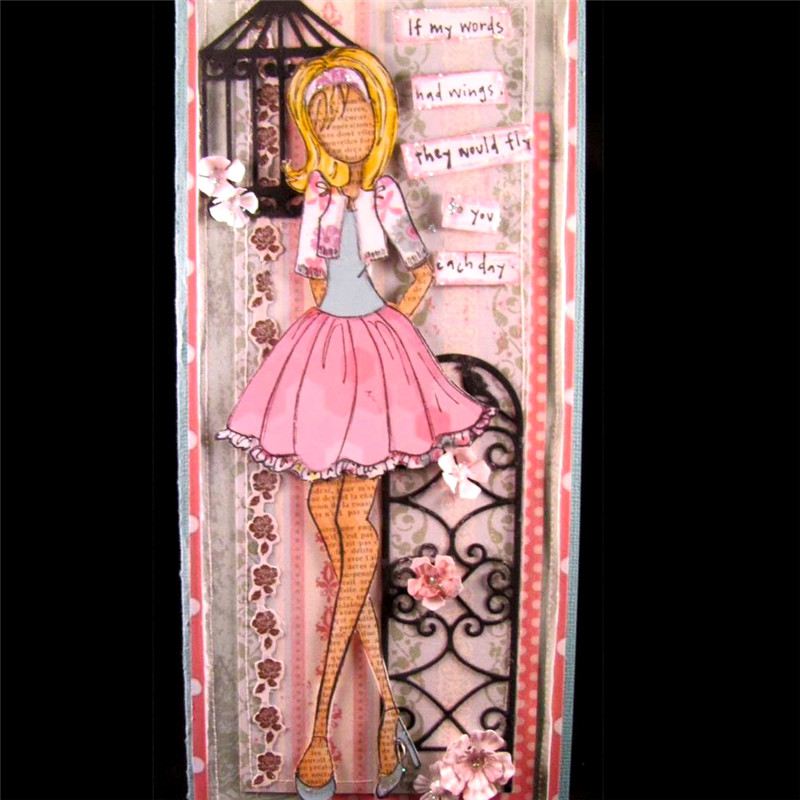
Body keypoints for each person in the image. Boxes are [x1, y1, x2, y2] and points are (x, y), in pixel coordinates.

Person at [217, 46, 495, 800]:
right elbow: (315, 281)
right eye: (331, 121)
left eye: (359, 118)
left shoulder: (386, 194)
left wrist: (395, 322)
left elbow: (419, 267)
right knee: (334, 524)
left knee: (349, 524)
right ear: (314, 129)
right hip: (322, 356)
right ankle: (389, 714)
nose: (347, 132)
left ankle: (317, 735)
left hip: (374, 351)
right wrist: (348, 326)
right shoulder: (317, 196)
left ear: (379, 121)